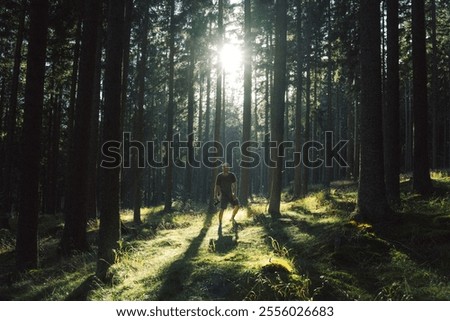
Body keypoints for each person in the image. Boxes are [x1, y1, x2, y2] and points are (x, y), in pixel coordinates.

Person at [214, 163, 239, 230]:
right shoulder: (219, 176)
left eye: (227, 167)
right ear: (222, 168)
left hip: (231, 194)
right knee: (222, 209)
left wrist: (235, 194)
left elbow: (235, 185)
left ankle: (232, 217)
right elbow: (217, 186)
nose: (226, 169)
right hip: (223, 195)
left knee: (237, 206)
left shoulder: (232, 175)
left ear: (228, 168)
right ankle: (220, 223)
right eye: (224, 167)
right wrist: (216, 195)